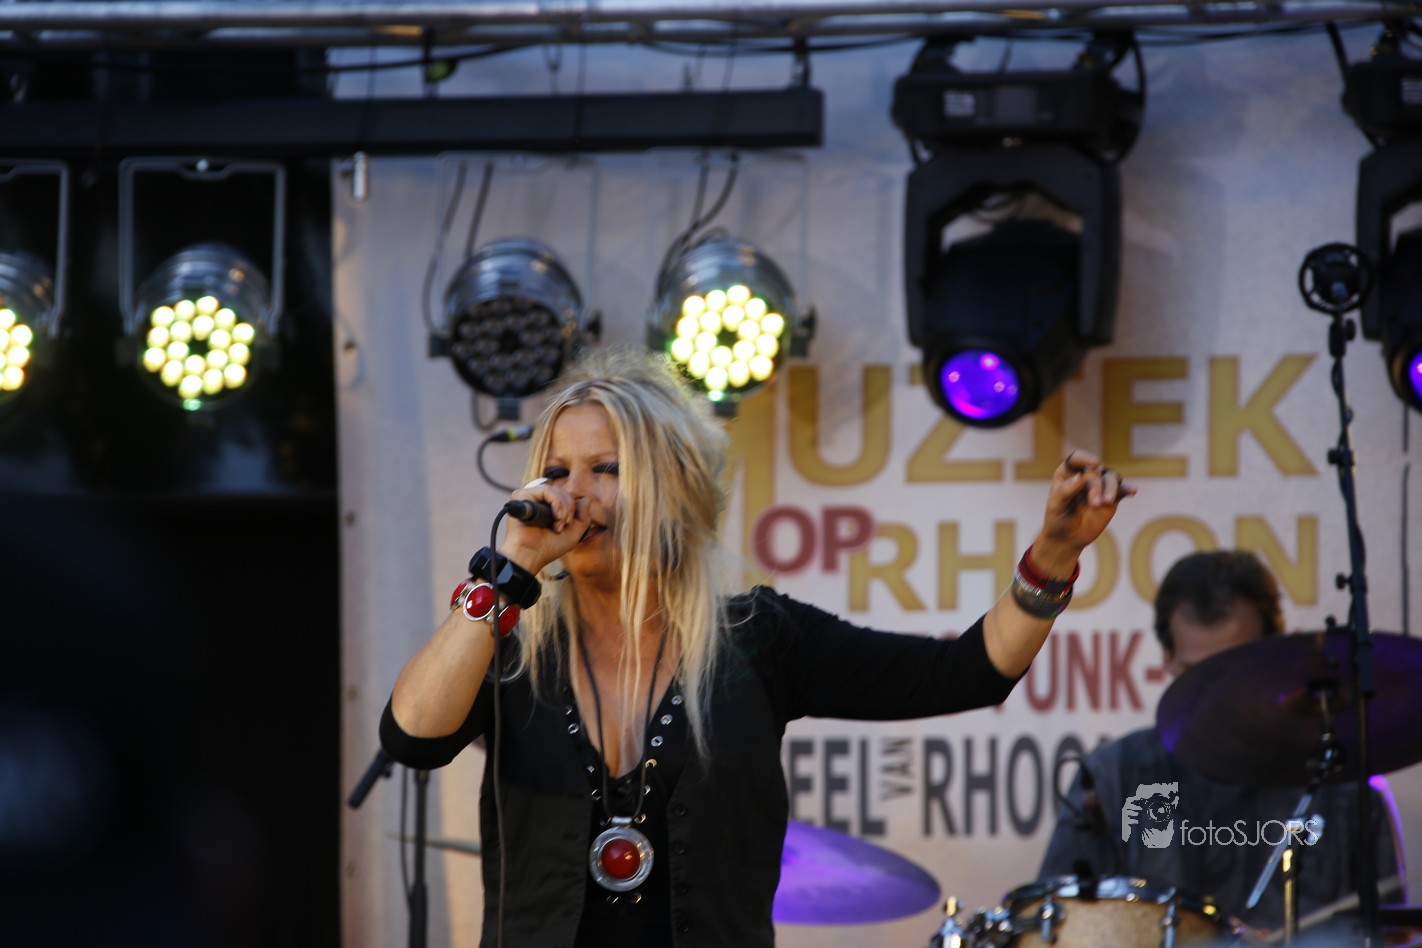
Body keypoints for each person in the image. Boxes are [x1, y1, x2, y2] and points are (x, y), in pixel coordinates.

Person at [379, 347, 1132, 948]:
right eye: (557, 472)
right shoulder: (505, 639)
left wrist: (1054, 555)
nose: (573, 495)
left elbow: (965, 673)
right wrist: (502, 580)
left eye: (607, 469)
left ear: (674, 487)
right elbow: (411, 738)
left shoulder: (757, 638)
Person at [1038, 549, 1405, 938]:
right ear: (1167, 659)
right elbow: (1057, 929)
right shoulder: (1113, 776)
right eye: (1195, 674)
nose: (1213, 695)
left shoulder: (1346, 790)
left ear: (1272, 654)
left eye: (1232, 671)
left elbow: (1393, 936)